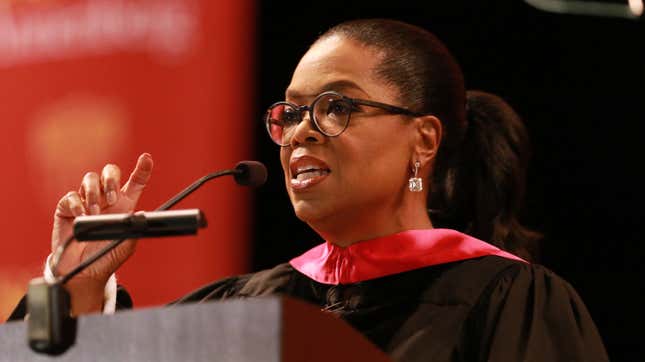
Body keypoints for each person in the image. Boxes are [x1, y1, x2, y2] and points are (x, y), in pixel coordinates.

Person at [9, 19, 608, 361]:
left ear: (423, 139)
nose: (300, 134)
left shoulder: (507, 300)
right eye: (289, 113)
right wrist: (78, 287)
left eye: (335, 106)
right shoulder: (234, 309)